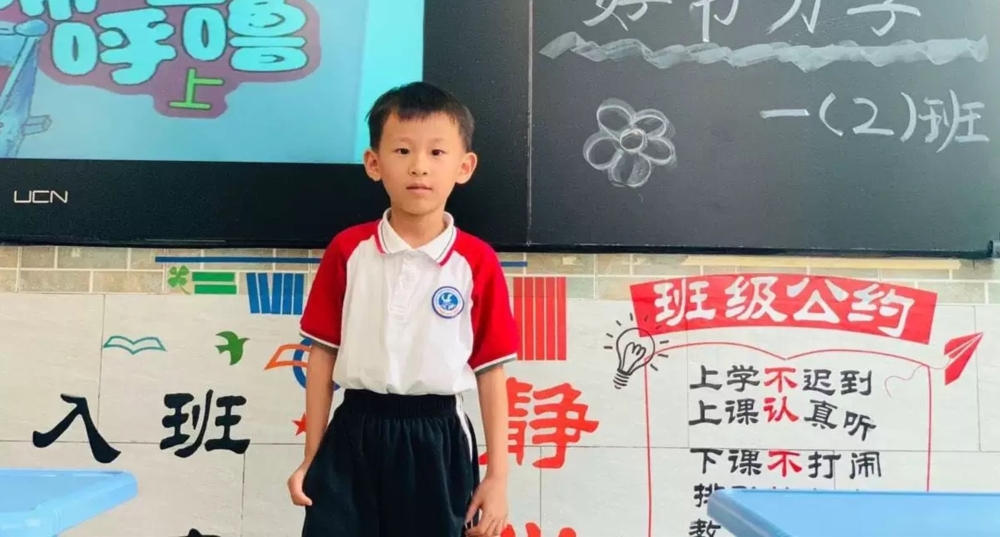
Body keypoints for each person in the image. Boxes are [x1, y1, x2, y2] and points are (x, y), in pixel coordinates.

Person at [286, 81, 518, 537]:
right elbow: (322, 354)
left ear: (465, 166)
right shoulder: (348, 250)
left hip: (438, 438)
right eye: (403, 151)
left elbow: (491, 371)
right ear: (374, 163)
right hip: (353, 430)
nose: (419, 167)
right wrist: (312, 456)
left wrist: (498, 478)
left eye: (437, 152)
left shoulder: (476, 261)